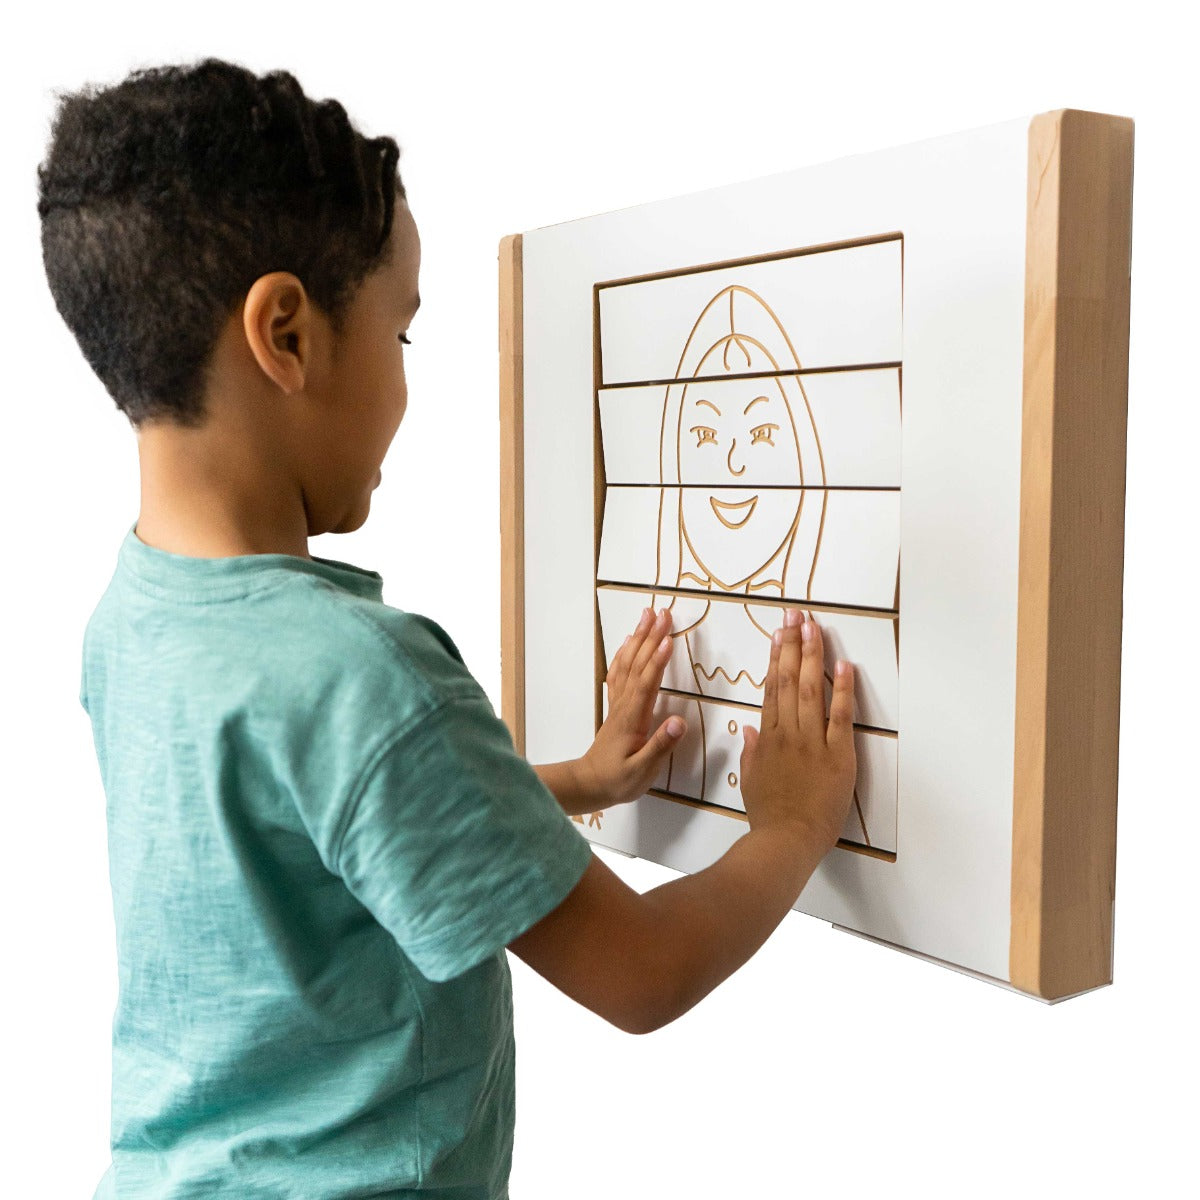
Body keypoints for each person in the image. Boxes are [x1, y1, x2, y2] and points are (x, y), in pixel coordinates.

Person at [39, 57, 858, 1200]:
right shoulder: (363, 673)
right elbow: (640, 973)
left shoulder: (136, 612)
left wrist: (566, 778)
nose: (408, 380)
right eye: (402, 332)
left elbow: (319, 820)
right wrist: (790, 825)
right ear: (287, 333)